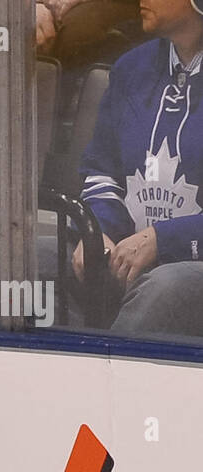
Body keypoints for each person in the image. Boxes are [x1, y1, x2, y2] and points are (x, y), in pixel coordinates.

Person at [76, 0, 203, 334]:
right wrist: (98, 232)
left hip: (190, 259)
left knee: (165, 287)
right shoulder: (132, 67)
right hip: (131, 247)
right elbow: (101, 167)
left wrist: (164, 240)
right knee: (30, 257)